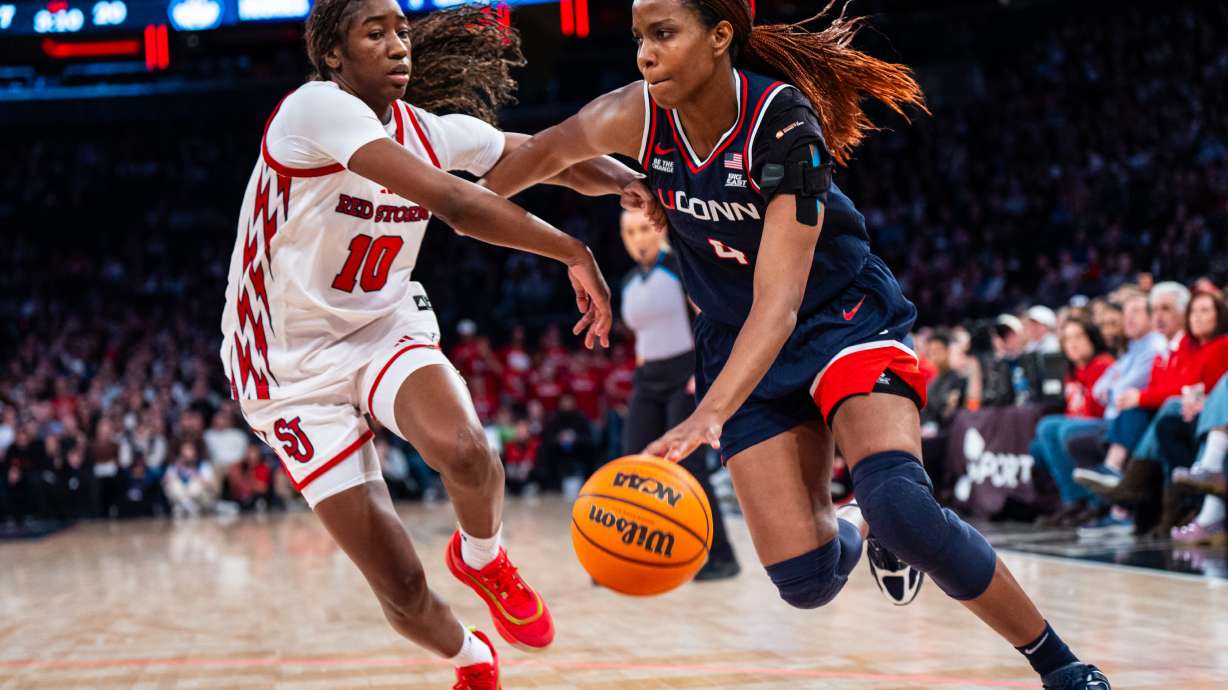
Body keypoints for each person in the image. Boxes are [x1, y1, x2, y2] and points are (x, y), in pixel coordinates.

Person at [480, 1, 1109, 687]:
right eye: (638, 38)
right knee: (806, 582)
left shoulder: (782, 124)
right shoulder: (631, 114)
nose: (644, 54)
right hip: (732, 335)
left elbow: (778, 306)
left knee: (903, 506)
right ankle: (861, 521)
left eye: (663, 34)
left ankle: (1061, 665)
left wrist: (707, 414)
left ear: (720, 36)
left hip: (838, 317)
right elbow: (538, 156)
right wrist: (436, 211)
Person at [218, 3, 646, 687]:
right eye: (375, 33)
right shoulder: (313, 109)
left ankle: (482, 557)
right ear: (333, 56)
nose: (398, 44)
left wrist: (628, 182)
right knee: (402, 589)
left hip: (382, 326)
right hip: (286, 366)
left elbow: (550, 158)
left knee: (468, 451)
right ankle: (472, 660)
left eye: (400, 30)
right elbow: (459, 206)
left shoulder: (435, 133)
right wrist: (573, 250)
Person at [618, 208, 740, 580]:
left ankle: (722, 556)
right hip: (648, 378)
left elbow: (711, 321)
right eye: (629, 233)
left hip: (685, 375)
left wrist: (702, 373)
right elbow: (643, 337)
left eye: (643, 229)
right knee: (633, 464)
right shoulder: (628, 281)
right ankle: (627, 554)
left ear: (658, 230)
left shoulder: (680, 269)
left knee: (689, 468)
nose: (637, 239)